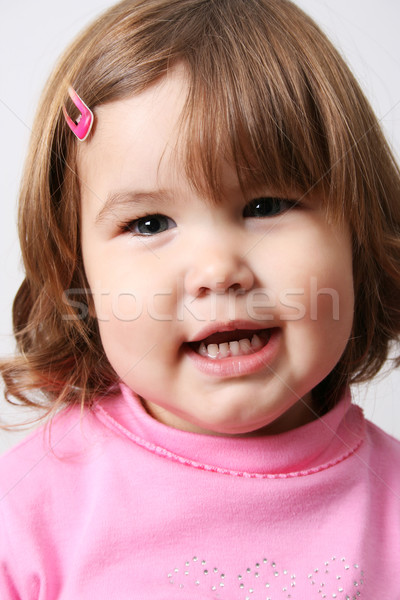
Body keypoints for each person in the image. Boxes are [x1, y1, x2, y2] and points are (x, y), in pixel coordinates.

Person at [1, 0, 400, 596]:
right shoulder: (22, 515)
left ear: (360, 231)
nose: (217, 271)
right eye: (149, 224)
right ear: (73, 268)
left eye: (264, 206)